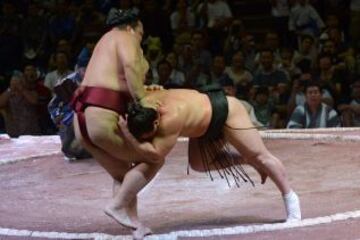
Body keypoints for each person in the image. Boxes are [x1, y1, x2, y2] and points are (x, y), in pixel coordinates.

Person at [119, 85, 302, 229]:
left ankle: (292, 202)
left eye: (152, 134)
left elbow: (155, 156)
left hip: (226, 111)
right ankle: (246, 159)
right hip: (203, 124)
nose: (152, 138)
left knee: (261, 156)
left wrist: (127, 136)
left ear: (157, 121)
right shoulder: (144, 98)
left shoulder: (171, 119)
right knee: (198, 164)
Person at [71, 8, 161, 234]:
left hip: (81, 118)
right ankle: (116, 205)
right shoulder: (126, 36)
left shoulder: (105, 40)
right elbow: (131, 66)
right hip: (102, 115)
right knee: (153, 158)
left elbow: (116, 78)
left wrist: (142, 89)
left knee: (124, 175)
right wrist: (142, 99)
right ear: (131, 27)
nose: (140, 38)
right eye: (141, 33)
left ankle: (135, 226)